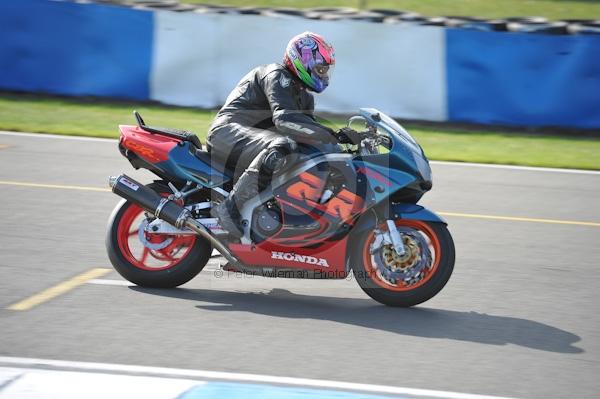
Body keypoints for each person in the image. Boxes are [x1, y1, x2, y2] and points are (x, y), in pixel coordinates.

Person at [208, 31, 360, 238]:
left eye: (326, 69)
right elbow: (285, 120)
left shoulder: (305, 98)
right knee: (283, 145)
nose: (324, 74)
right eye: (320, 68)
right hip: (227, 131)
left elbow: (311, 135)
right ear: (302, 62)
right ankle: (229, 209)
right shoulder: (276, 75)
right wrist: (333, 134)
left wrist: (346, 146)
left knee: (311, 154)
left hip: (253, 140)